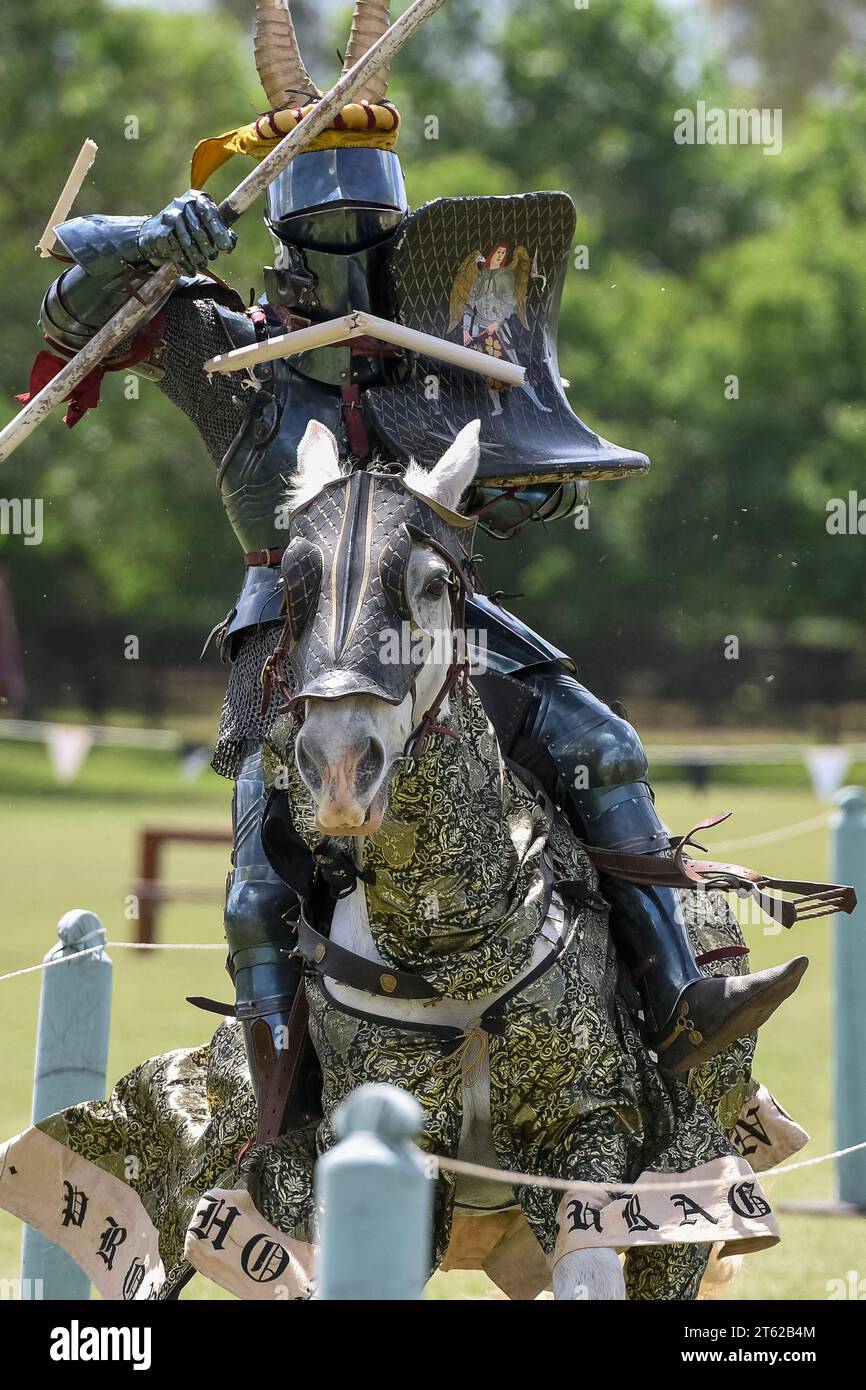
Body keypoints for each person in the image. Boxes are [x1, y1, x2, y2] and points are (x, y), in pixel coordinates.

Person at [22, 0, 805, 1140]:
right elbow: (66, 311)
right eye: (329, 227)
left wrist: (532, 489)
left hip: (434, 619)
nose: (353, 254)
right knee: (255, 886)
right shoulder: (213, 341)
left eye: (368, 227)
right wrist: (150, 240)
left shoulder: (439, 339)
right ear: (288, 233)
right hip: (290, 636)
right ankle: (280, 1113)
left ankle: (676, 1001)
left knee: (602, 749)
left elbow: (509, 472)